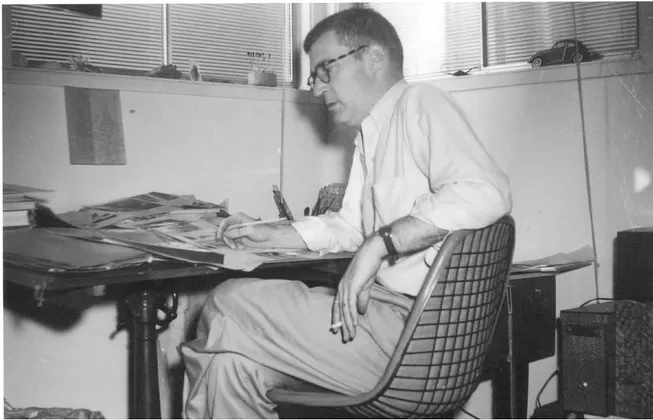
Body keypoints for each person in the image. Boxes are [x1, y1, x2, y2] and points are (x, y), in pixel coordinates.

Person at [181, 7, 511, 418]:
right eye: (313, 77)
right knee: (229, 368)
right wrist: (274, 233)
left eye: (325, 70)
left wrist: (383, 242)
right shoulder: (372, 134)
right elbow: (351, 226)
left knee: (226, 301)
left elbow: (486, 192)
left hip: (409, 338)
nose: (317, 89)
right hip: (385, 328)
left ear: (373, 57)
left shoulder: (419, 103)